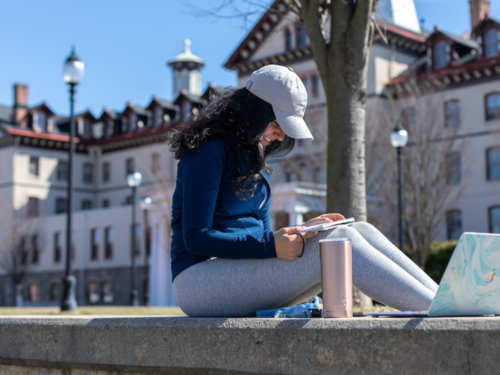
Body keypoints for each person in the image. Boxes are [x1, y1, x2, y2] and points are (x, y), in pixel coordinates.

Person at [169, 65, 438, 317]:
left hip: (243, 271)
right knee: (339, 240)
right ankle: (438, 309)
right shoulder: (207, 152)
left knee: (358, 230)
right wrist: (271, 246)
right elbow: (196, 238)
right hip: (198, 280)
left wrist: (302, 231)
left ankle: (443, 298)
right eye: (276, 123)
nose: (281, 135)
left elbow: (262, 237)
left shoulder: (253, 158)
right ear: (253, 108)